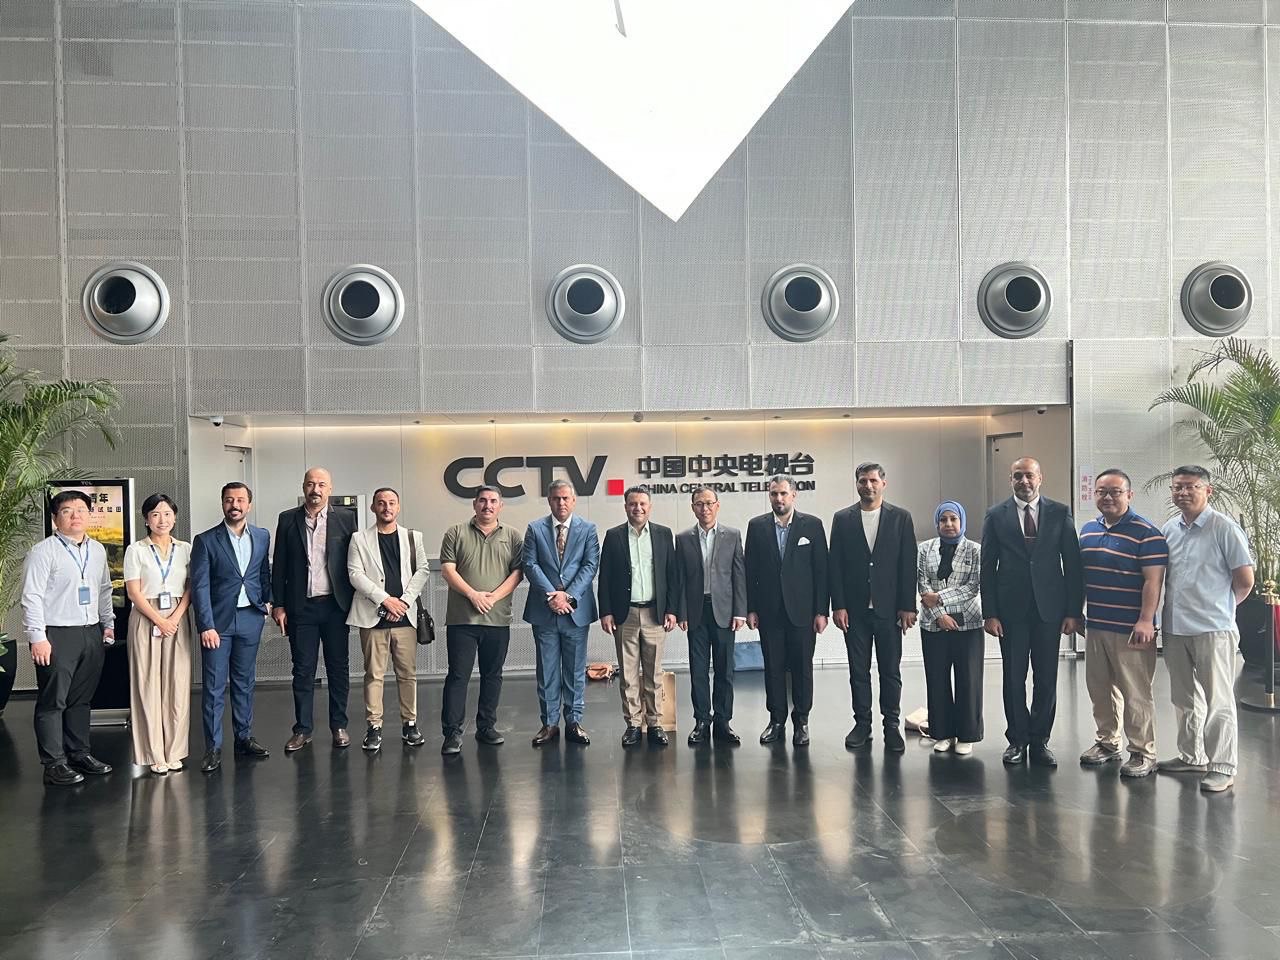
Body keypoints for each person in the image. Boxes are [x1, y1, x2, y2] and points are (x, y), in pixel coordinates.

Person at [980, 457, 1083, 767]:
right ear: (1010, 480)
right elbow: (987, 567)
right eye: (1017, 476)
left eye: (1029, 475)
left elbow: (1073, 564)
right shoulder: (995, 515)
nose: (1024, 481)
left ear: (1040, 478)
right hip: (1010, 611)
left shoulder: (1060, 512)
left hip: (1049, 610)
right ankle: (1017, 740)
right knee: (1013, 678)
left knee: (1046, 678)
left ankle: (1040, 741)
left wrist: (1073, 611)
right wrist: (990, 613)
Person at [1158, 465, 1254, 793]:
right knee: (1184, 698)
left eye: (1191, 486)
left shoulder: (1223, 528)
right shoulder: (1169, 529)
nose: (1183, 492)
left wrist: (1220, 608)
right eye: (1177, 487)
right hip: (1175, 628)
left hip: (1214, 629)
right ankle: (1192, 756)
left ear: (1207, 490)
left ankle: (1223, 766)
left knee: (1219, 701)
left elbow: (1245, 581)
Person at [20, 490, 116, 786]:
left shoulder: (97, 550)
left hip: (91, 632)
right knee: (53, 701)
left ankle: (79, 753)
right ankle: (54, 763)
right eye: (67, 511)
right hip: (56, 634)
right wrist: (37, 637)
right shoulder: (42, 552)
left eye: (81, 510)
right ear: (55, 518)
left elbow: (104, 589)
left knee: (81, 700)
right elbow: (31, 596)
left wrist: (108, 623)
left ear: (89, 515)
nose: (75, 516)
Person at [1078, 469, 1167, 778]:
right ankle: (1107, 742)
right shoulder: (1088, 530)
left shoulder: (1147, 533)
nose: (1108, 497)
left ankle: (1143, 751)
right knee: (1100, 688)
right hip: (1097, 625)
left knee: (1135, 692)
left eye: (1115, 492)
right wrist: (1077, 612)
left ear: (1129, 495)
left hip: (1132, 629)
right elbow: (1082, 578)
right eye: (1102, 491)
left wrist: (1146, 620)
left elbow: (1153, 581)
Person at [829, 462, 918, 752]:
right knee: (858, 671)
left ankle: (891, 726)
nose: (868, 486)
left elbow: (908, 565)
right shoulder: (842, 519)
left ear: (883, 483)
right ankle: (862, 724)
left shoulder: (900, 518)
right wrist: (838, 605)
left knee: (890, 671)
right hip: (854, 611)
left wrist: (908, 606)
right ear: (856, 484)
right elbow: (835, 566)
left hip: (890, 610)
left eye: (873, 481)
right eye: (862, 481)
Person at [271, 467, 357, 752]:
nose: (315, 489)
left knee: (338, 668)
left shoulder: (346, 519)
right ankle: (302, 729)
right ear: (303, 487)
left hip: (335, 606)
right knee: (303, 669)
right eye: (310, 484)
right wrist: (279, 604)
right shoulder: (287, 519)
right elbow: (279, 565)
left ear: (330, 489)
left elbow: (354, 563)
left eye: (321, 484)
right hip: (301, 607)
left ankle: (339, 725)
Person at [191, 482, 273, 772]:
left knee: (244, 682)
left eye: (240, 500)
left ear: (249, 504)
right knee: (214, 686)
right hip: (218, 624)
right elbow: (200, 586)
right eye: (229, 500)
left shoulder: (262, 536)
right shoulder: (205, 540)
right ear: (222, 504)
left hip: (251, 617)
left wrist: (267, 602)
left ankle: (243, 738)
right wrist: (206, 625)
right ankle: (213, 747)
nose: (234, 505)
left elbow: (263, 572)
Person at [744, 475, 829, 747]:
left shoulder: (812, 525)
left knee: (803, 667)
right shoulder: (756, 526)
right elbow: (750, 572)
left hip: (803, 612)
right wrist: (751, 608)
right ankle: (776, 720)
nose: (778, 499)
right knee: (773, 667)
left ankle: (801, 721)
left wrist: (821, 611)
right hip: (769, 611)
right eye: (774, 494)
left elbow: (821, 571)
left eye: (783, 493)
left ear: (794, 495)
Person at [439, 486, 524, 755]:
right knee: (458, 675)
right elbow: (447, 570)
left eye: (493, 501)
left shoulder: (512, 536)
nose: (488, 505)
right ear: (474, 504)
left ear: (501, 506)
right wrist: (473, 595)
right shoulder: (455, 532)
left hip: (497, 619)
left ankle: (486, 727)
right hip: (462, 620)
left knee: (492, 675)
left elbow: (517, 573)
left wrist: (493, 597)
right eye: (483, 501)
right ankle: (452, 733)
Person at [347, 487, 430, 752]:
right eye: (381, 503)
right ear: (373, 507)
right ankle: (374, 727)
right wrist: (385, 600)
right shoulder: (359, 539)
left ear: (398, 506)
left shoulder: (413, 537)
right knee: (374, 674)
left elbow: (423, 570)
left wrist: (403, 602)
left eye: (391, 502)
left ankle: (410, 724)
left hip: (405, 617)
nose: (387, 507)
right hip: (374, 617)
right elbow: (355, 574)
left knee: (408, 674)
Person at [598, 485, 678, 747]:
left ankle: (654, 724)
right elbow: (605, 577)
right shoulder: (614, 536)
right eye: (633, 504)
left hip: (656, 612)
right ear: (625, 507)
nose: (638, 508)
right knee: (628, 674)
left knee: (654, 673)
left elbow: (671, 574)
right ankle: (632, 724)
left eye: (643, 503)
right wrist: (606, 612)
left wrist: (672, 609)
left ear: (650, 506)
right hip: (626, 613)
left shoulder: (664, 534)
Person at [523, 480, 599, 747]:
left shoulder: (588, 529)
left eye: (566, 498)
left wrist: (568, 596)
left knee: (575, 670)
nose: (561, 503)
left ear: (574, 500)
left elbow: (590, 565)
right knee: (547, 671)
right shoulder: (535, 529)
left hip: (575, 611)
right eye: (556, 498)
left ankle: (574, 722)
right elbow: (530, 564)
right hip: (544, 611)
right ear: (549, 500)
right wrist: (553, 595)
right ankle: (550, 723)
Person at [123, 494, 193, 775]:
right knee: (147, 685)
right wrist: (159, 620)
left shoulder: (186, 549)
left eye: (167, 514)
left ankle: (175, 751)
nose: (161, 520)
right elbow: (133, 592)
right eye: (155, 514)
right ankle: (154, 753)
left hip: (177, 617)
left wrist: (174, 618)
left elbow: (190, 588)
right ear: (146, 519)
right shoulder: (136, 550)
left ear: (174, 517)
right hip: (145, 617)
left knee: (177, 685)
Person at [675, 485, 747, 746]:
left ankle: (723, 721)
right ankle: (702, 720)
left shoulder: (732, 535)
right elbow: (680, 579)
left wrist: (740, 611)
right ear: (693, 507)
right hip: (696, 612)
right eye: (699, 504)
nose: (704, 508)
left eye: (709, 503)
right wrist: (681, 612)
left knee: (725, 669)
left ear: (717, 505)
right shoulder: (683, 538)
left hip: (725, 612)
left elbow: (739, 575)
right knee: (698, 670)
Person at [917, 501, 983, 755]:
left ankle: (967, 734)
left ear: (962, 521)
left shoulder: (975, 550)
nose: (948, 524)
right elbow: (922, 585)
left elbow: (973, 587)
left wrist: (940, 598)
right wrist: (939, 615)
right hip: (934, 624)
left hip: (969, 623)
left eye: (953, 519)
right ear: (937, 523)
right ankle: (943, 732)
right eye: (943, 519)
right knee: (937, 679)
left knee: (968, 680)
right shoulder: (924, 549)